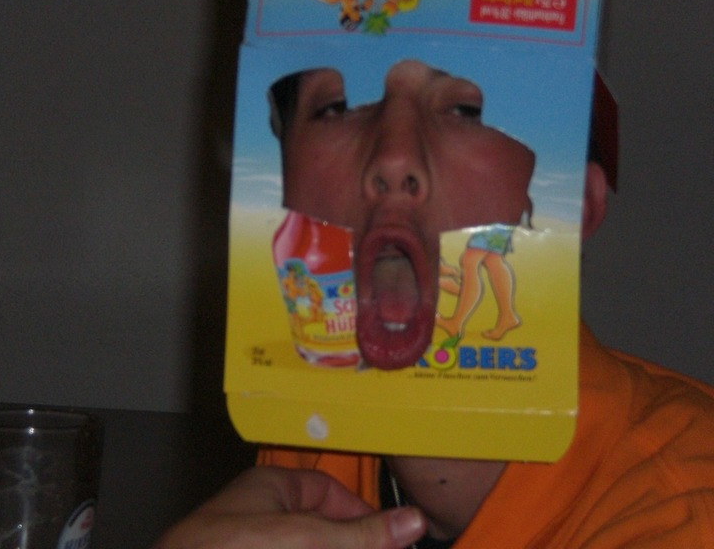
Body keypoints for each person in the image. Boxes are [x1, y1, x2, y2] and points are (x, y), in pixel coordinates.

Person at [153, 61, 714, 548]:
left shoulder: (681, 508)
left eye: (468, 110)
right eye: (338, 106)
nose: (394, 158)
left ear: (577, 206)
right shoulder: (309, 444)